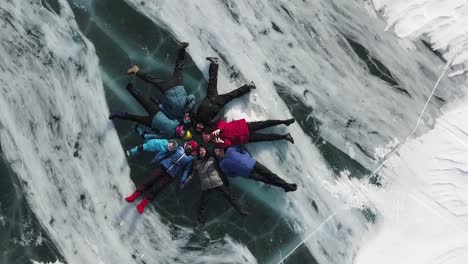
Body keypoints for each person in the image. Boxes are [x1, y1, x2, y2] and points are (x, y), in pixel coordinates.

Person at [124, 141, 197, 214]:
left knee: (156, 189)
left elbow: (186, 171)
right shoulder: (178, 148)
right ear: (187, 144)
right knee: (149, 181)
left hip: (170, 175)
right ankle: (133, 196)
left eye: (192, 147)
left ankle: (142, 205)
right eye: (189, 145)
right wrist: (157, 159)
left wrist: (182, 181)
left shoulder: (190, 159)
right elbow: (167, 154)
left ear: (193, 150)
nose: (190, 147)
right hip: (163, 167)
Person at [127, 42, 195, 120]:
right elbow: (192, 96)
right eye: (188, 118)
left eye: (186, 120)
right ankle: (182, 48)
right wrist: (187, 105)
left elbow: (166, 108)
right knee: (179, 66)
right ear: (190, 116)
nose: (186, 118)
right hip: (178, 85)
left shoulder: (176, 116)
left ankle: (136, 70)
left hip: (167, 91)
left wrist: (162, 102)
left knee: (151, 80)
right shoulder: (190, 108)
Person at [187, 145, 249, 229]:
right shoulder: (196, 162)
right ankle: (201, 223)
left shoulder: (212, 159)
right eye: (200, 151)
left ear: (205, 151)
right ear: (198, 153)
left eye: (203, 150)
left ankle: (241, 210)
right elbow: (191, 172)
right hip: (206, 186)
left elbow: (220, 171)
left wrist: (226, 182)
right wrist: (187, 179)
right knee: (203, 205)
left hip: (217, 182)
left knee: (230, 196)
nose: (202, 152)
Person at [192, 57, 255, 132]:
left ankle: (214, 63)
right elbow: (219, 116)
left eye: (197, 127)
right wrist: (217, 107)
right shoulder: (209, 123)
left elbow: (196, 105)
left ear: (196, 125)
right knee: (233, 95)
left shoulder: (195, 116)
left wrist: (202, 102)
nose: (199, 126)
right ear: (203, 128)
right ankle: (249, 86)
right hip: (218, 103)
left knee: (212, 81)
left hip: (209, 97)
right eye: (200, 128)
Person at [108, 83, 191, 139]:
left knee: (134, 118)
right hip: (157, 113)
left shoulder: (171, 136)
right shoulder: (177, 122)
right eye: (184, 132)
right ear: (184, 130)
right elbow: (168, 114)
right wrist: (159, 104)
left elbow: (159, 135)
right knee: (142, 100)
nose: (182, 133)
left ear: (182, 136)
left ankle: (117, 114)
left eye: (183, 135)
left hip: (151, 123)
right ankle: (130, 89)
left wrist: (154, 130)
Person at [214, 146, 297, 192]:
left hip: (253, 163)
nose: (218, 151)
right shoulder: (222, 165)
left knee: (271, 175)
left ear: (221, 149)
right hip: (248, 174)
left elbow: (242, 149)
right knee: (266, 180)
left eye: (218, 149)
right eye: (216, 152)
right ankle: (285, 186)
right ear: (216, 155)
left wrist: (248, 156)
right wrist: (239, 172)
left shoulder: (230, 150)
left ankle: (286, 185)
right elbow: (230, 175)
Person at [202, 118, 295, 149]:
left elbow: (222, 123)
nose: (206, 138)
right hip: (245, 138)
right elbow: (229, 144)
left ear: (206, 134)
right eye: (205, 140)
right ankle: (284, 136)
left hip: (243, 127)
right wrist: (220, 141)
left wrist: (218, 129)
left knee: (265, 123)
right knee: (265, 137)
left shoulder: (214, 128)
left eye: (205, 136)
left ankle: (284, 122)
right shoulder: (217, 143)